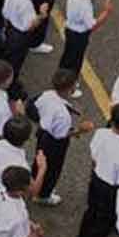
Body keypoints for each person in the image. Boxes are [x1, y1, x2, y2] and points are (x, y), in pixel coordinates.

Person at [73, 104, 119, 237]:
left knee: (91, 213)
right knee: (104, 224)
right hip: (111, 190)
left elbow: (94, 158)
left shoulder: (101, 133)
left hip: (96, 179)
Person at [33, 69, 95, 206]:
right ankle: (44, 194)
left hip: (42, 134)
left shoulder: (47, 95)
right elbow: (61, 135)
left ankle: (36, 180)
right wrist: (80, 130)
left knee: (39, 161)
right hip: (54, 144)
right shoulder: (62, 115)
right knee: (53, 168)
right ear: (70, 88)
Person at [60, 0, 114, 97]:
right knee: (75, 61)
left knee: (67, 57)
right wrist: (106, 12)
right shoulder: (83, 5)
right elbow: (92, 25)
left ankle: (62, 78)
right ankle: (69, 87)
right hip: (79, 36)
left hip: (70, 30)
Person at [0, 167, 43, 237]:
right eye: (29, 184)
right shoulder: (17, 218)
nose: (32, 185)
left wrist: (29, 223)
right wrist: (36, 236)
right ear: (19, 192)